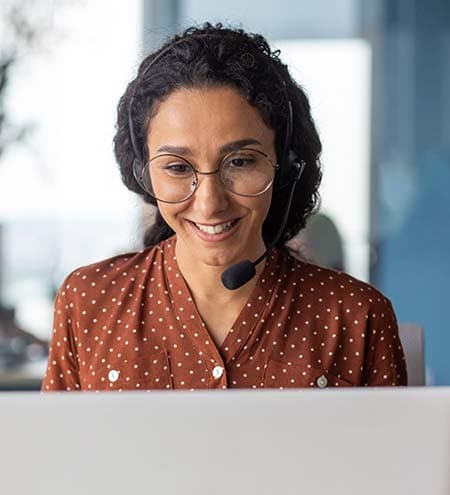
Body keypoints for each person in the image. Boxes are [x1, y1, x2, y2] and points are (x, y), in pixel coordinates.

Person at [42, 23, 407, 391]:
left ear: (287, 167)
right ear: (143, 174)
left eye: (240, 162)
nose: (210, 203)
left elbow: (393, 450)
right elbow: (55, 448)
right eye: (178, 167)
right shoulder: (89, 301)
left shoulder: (356, 316)